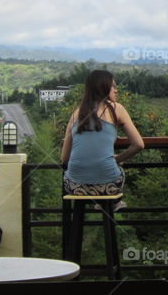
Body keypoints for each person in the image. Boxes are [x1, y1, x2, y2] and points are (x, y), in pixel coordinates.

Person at [61, 70, 145, 207]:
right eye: (113, 86)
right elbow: (139, 144)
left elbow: (64, 159)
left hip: (74, 187)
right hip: (108, 186)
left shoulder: (76, 113)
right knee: (117, 170)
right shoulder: (117, 109)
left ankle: (101, 204)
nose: (116, 90)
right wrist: (116, 159)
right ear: (103, 87)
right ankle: (111, 203)